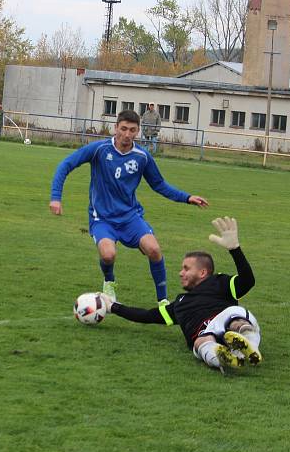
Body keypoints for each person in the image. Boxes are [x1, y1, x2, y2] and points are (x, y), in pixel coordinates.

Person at [50, 109, 208, 305]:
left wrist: (187, 197)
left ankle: (163, 302)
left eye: (132, 130)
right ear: (115, 127)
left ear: (138, 131)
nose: (127, 134)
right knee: (108, 255)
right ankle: (109, 282)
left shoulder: (142, 156)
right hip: (102, 218)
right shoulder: (99, 149)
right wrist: (56, 197)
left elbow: (159, 184)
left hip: (130, 217)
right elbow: (66, 164)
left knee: (154, 249)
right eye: (123, 129)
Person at [99, 217, 263, 373]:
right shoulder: (180, 303)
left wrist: (235, 249)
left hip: (226, 318)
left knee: (235, 318)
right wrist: (112, 307)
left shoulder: (219, 282)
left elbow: (248, 281)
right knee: (200, 342)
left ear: (202, 272)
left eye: (186, 268)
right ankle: (225, 356)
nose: (180, 273)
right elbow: (147, 315)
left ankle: (249, 346)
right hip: (205, 334)